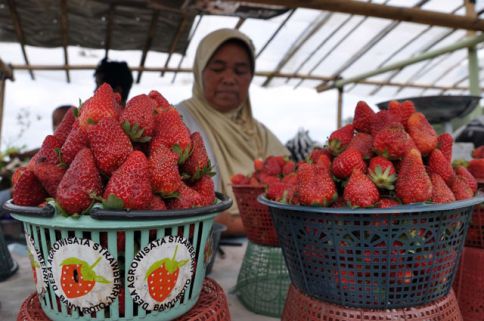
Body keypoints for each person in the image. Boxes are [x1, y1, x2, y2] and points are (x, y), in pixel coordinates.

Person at [176, 28, 289, 236]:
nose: (229, 79)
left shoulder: (259, 132)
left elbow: (293, 185)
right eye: (218, 68)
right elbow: (194, 211)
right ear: (199, 71)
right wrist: (273, 225)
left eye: (240, 71)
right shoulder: (180, 121)